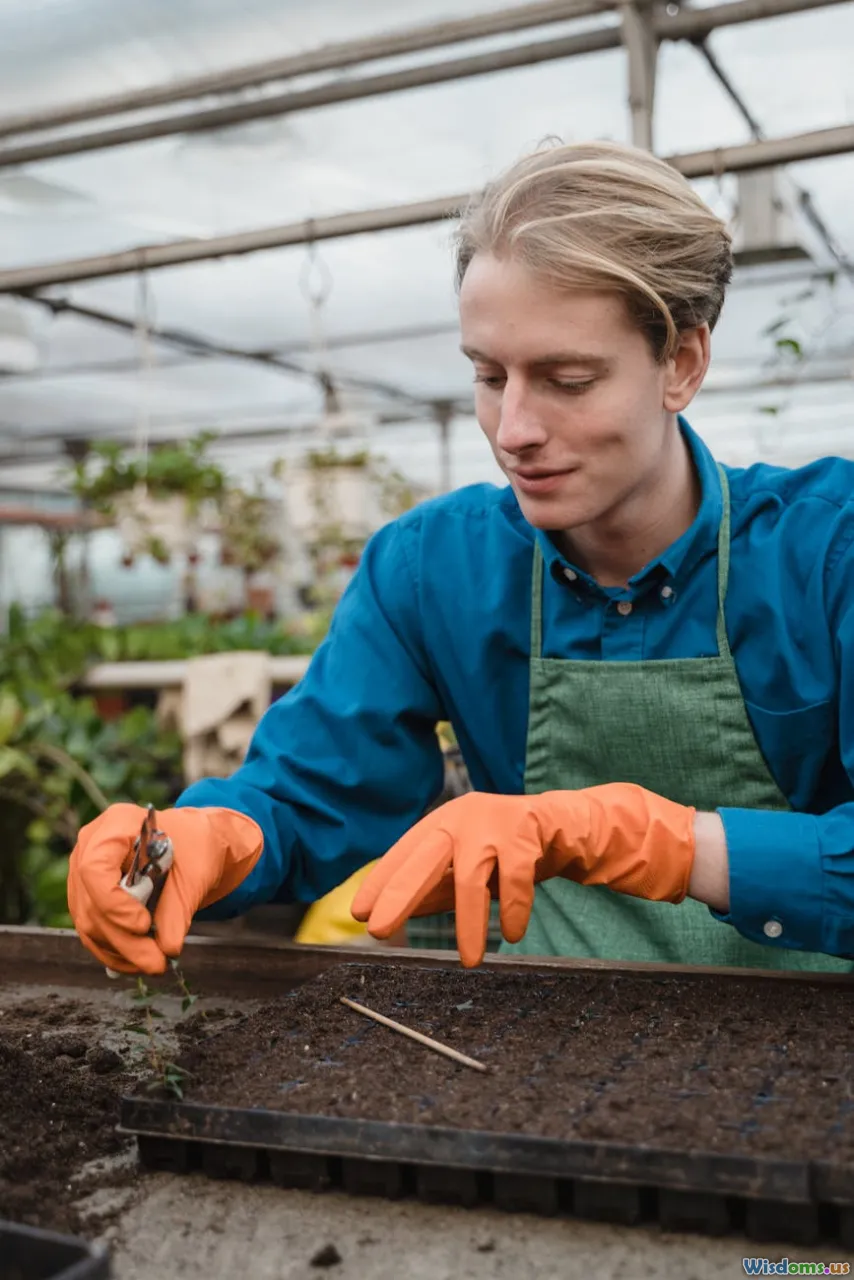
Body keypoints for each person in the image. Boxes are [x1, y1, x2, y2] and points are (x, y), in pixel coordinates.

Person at [68, 139, 854, 977]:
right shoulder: (432, 569)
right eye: (488, 375)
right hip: (546, 1055)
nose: (513, 429)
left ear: (682, 363)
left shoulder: (824, 549)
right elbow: (311, 788)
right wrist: (210, 835)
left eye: (568, 379)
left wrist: (649, 838)